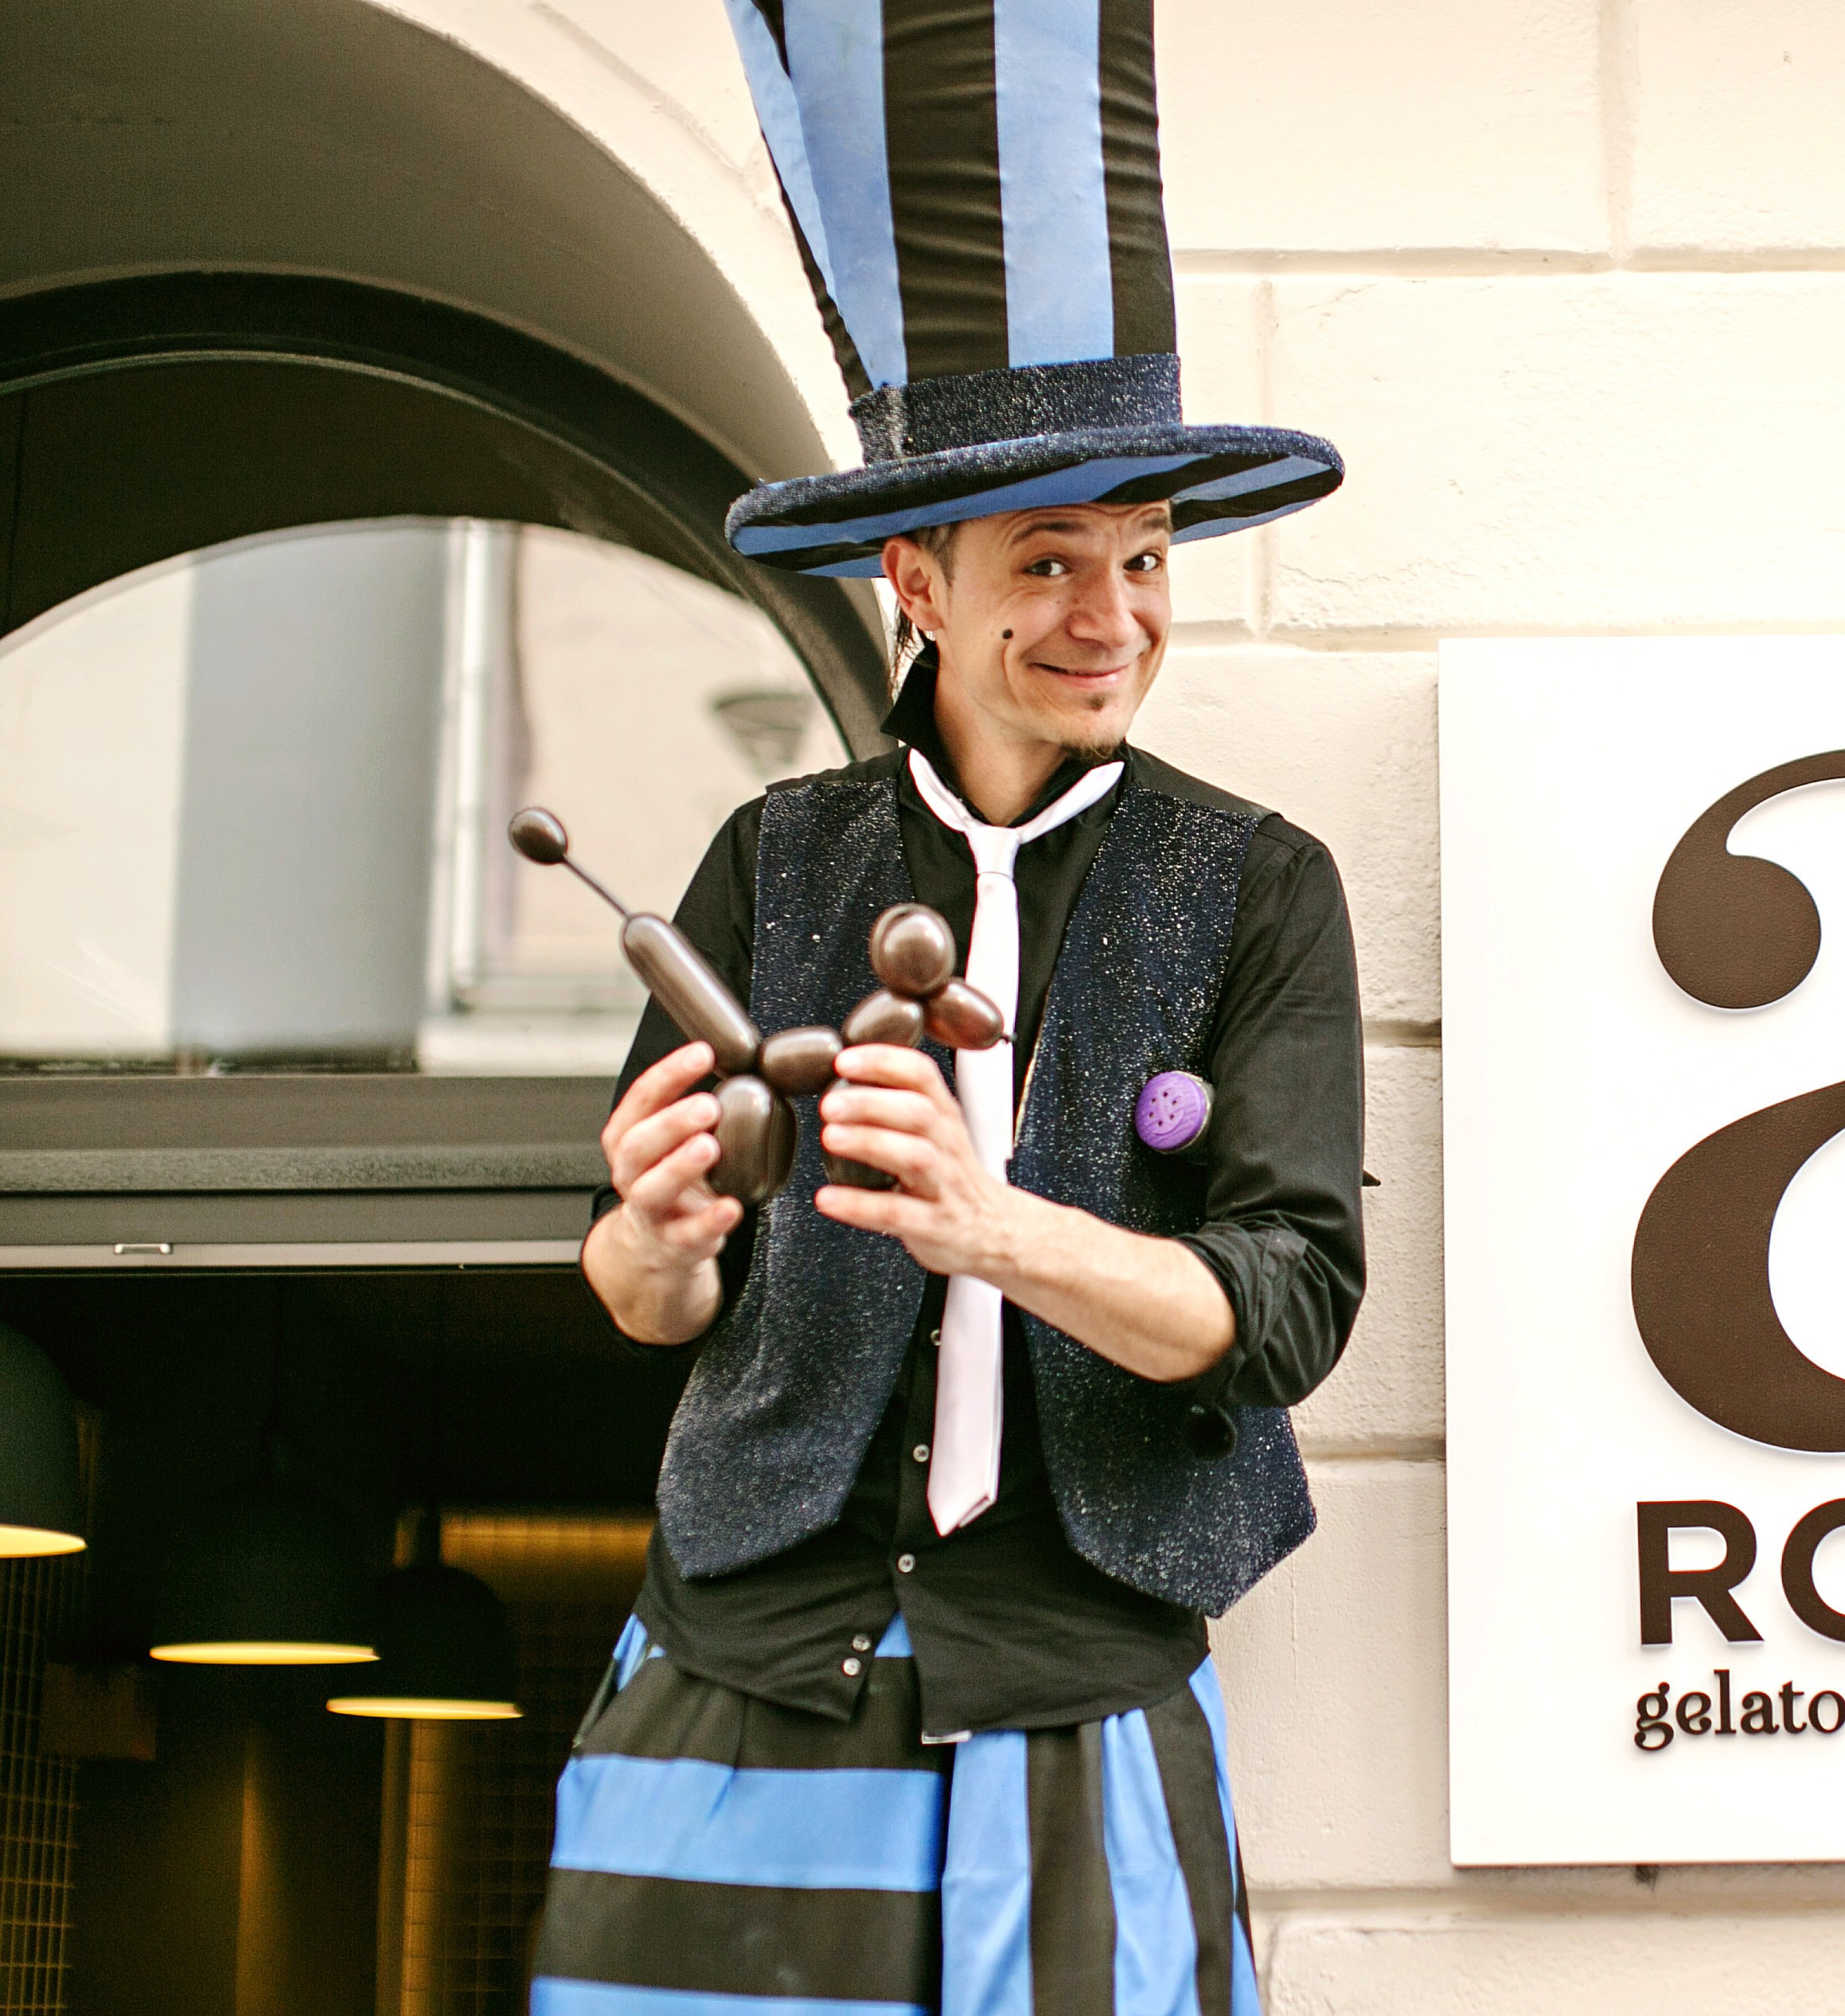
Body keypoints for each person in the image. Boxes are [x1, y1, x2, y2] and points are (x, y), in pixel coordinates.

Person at [528, 6, 1357, 2013]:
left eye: (1144, 559)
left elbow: (1287, 1310)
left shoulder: (1255, 883)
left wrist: (997, 1228)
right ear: (914, 577)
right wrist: (653, 1237)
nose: (1111, 618)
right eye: (1050, 561)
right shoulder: (772, 863)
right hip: (741, 1668)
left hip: (1077, 1682)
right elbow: (644, 1298)